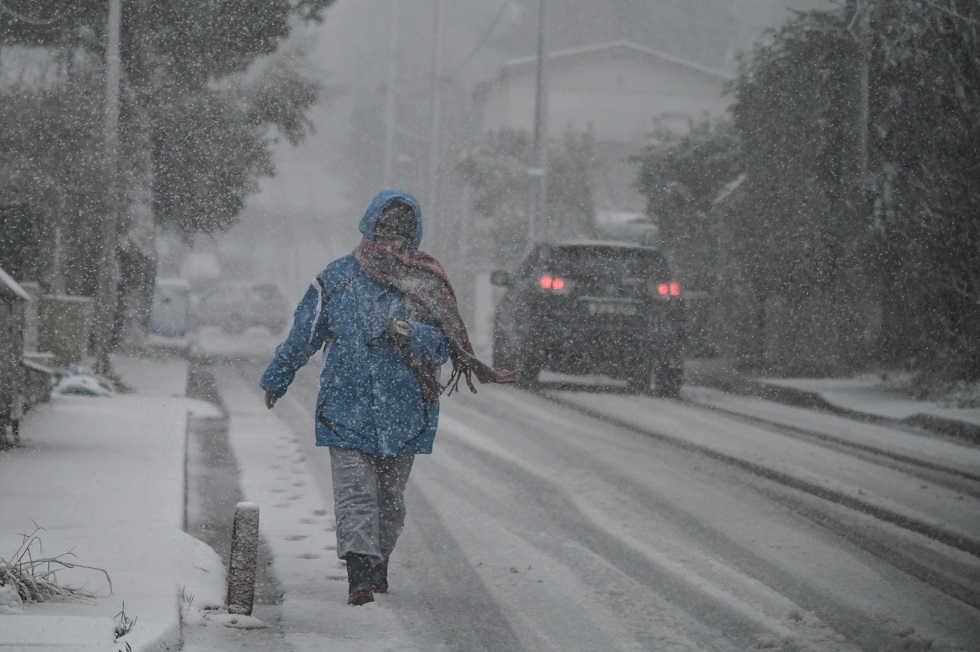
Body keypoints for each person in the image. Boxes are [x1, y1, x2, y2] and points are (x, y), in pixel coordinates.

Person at [259, 189, 515, 605]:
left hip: (405, 411)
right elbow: (305, 332)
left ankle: (378, 564)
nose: (391, 243)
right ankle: (360, 573)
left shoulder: (426, 285)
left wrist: (413, 334)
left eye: (401, 235)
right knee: (355, 493)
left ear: (412, 238)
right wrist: (278, 376)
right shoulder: (337, 279)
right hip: (345, 407)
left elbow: (443, 347)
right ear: (369, 229)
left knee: (390, 501)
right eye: (385, 233)